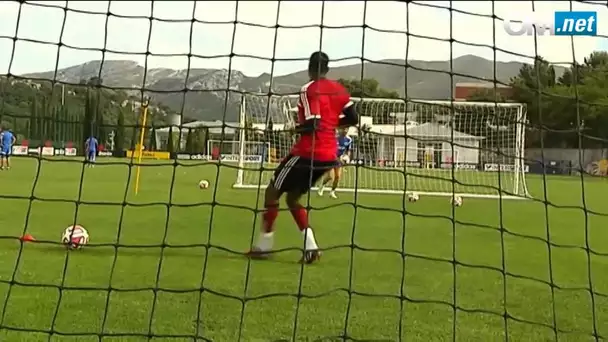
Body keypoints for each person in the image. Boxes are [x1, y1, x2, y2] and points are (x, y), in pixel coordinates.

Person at [246, 51, 358, 264]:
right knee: (292, 198)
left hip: (308, 152)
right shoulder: (340, 90)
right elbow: (353, 118)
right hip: (328, 155)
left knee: (272, 193)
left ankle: (263, 247)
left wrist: (294, 129)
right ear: (327, 68)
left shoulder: (309, 89)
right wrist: (331, 124)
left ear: (309, 67)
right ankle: (311, 248)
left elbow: (313, 122)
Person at [317, 127, 353, 199]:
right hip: (331, 158)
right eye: (344, 129)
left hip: (339, 160)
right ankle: (322, 186)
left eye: (347, 129)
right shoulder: (334, 138)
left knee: (337, 177)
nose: (345, 130)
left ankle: (332, 192)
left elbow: (348, 150)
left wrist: (347, 157)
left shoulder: (349, 140)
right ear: (341, 129)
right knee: (330, 176)